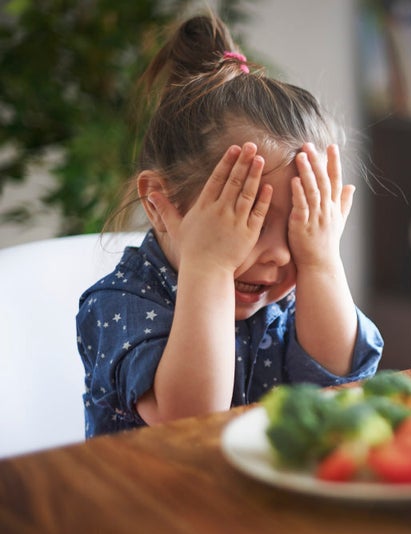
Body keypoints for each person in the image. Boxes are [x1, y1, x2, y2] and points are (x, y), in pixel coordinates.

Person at [76, 13, 384, 438]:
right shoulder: (120, 303)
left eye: (298, 228)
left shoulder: (291, 291)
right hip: (147, 497)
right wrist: (210, 267)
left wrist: (320, 262)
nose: (279, 254)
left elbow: (341, 378)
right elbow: (190, 419)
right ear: (159, 204)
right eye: (250, 225)